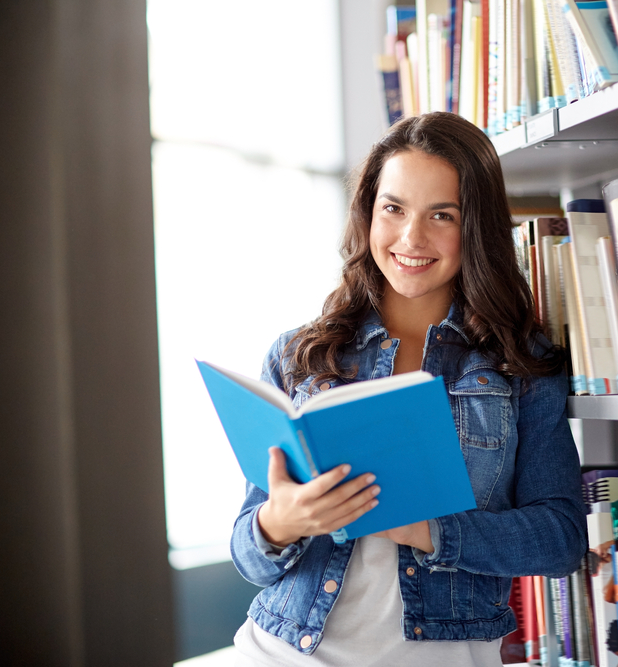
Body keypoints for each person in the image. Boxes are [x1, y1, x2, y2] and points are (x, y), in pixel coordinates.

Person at [230, 111, 588, 665]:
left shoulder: (519, 363)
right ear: (368, 213)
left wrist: (428, 530)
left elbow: (560, 539)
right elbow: (248, 557)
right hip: (282, 652)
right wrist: (281, 522)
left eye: (441, 215)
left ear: (475, 228)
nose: (411, 238)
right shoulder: (300, 354)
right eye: (393, 209)